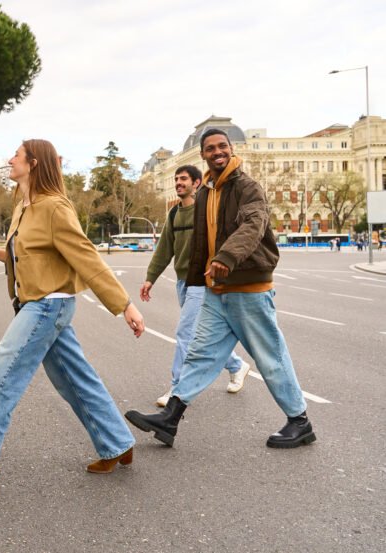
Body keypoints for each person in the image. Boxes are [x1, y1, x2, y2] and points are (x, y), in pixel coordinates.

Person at [0, 139, 145, 495]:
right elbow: (32, 258)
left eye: (15, 155)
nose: (9, 159)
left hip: (48, 305)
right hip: (36, 302)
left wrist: (124, 304)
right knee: (75, 380)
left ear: (33, 163)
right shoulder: (23, 207)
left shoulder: (54, 208)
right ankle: (117, 443)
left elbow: (86, 257)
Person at [125, 129, 316, 449]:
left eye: (222, 146)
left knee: (269, 355)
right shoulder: (206, 194)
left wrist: (227, 257)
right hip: (216, 289)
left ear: (230, 150)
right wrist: (201, 280)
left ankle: (300, 421)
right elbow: (201, 241)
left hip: (248, 286)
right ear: (203, 155)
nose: (217, 152)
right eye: (210, 148)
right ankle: (170, 418)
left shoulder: (247, 187)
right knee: (199, 355)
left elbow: (252, 225)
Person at [141, 165, 250, 408]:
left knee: (186, 333)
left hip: (202, 281)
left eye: (184, 179)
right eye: (177, 179)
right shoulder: (174, 214)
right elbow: (164, 249)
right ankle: (236, 365)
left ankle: (177, 389)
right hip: (183, 282)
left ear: (197, 183)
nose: (179, 183)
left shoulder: (206, 210)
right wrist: (151, 278)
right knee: (202, 336)